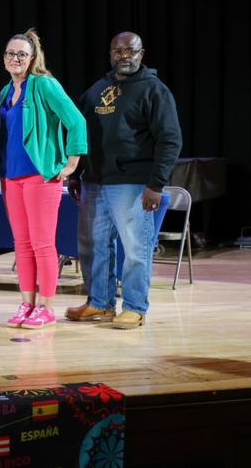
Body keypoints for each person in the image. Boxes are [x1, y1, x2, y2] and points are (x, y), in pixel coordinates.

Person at [67, 32, 181, 330]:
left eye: (130, 50)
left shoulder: (154, 90)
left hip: (133, 182)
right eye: (118, 50)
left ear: (141, 54)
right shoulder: (96, 91)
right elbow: (80, 136)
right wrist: (77, 174)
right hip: (94, 182)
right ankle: (99, 304)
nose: (124, 55)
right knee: (93, 245)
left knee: (134, 248)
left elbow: (170, 140)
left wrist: (156, 184)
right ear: (110, 54)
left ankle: (135, 307)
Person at [0, 30, 87, 329]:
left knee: (42, 244)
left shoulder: (44, 84)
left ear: (32, 58)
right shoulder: (5, 92)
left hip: (40, 176)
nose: (15, 58)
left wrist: (72, 161)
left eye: (21, 54)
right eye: (10, 53)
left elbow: (76, 121)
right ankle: (27, 304)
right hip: (10, 177)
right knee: (21, 243)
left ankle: (46, 307)